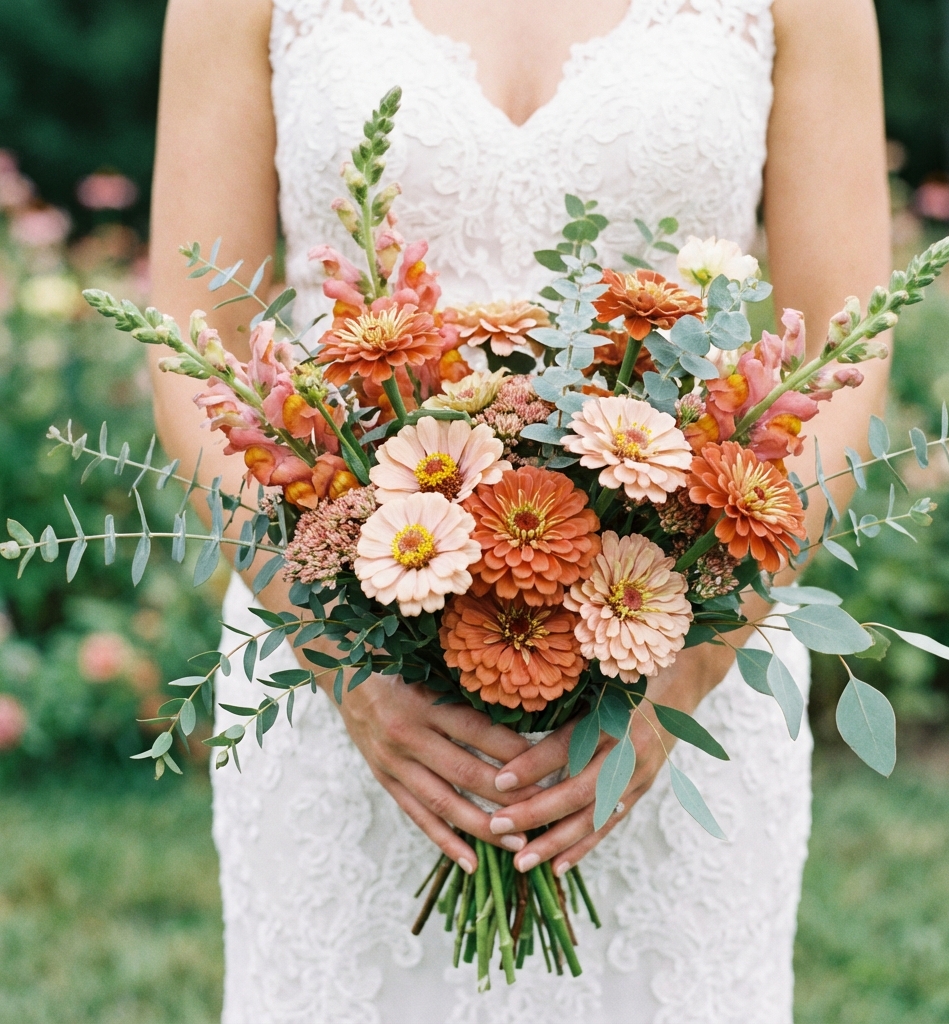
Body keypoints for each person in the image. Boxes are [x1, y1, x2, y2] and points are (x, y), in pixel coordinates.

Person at [149, 0, 890, 1020]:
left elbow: (846, 348)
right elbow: (195, 348)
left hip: (678, 673)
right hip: (343, 677)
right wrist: (338, 652)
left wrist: (696, 659)